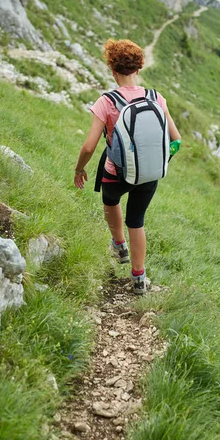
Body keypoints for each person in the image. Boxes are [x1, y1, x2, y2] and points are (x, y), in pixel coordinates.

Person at [74, 38, 181, 295]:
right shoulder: (156, 98)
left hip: (117, 173)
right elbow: (176, 140)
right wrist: (158, 162)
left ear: (112, 70)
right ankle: (139, 279)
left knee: (111, 203)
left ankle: (119, 245)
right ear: (139, 68)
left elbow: (89, 147)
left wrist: (79, 169)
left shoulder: (106, 102)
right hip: (149, 175)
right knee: (137, 220)